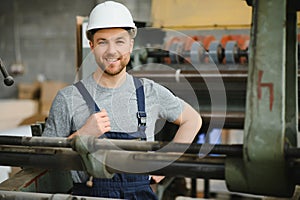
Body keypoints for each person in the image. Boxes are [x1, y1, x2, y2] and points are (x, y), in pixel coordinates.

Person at [42, 1, 202, 199]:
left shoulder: (149, 91)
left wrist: (165, 165)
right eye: (102, 42)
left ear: (131, 44)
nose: (111, 51)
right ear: (92, 46)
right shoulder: (68, 98)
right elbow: (43, 158)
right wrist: (81, 135)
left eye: (119, 41)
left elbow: (193, 120)